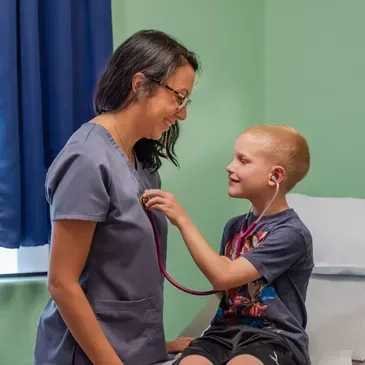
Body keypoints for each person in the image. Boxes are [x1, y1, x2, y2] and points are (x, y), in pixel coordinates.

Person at [34, 29, 200, 365]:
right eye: (178, 97)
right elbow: (62, 284)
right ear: (140, 84)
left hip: (131, 350)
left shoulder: (140, 159)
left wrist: (157, 345)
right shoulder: (87, 159)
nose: (182, 113)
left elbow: (122, 277)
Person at [143, 125, 314, 365]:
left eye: (243, 161)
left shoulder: (290, 234)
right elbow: (225, 284)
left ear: (275, 176)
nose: (229, 166)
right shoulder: (234, 227)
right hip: (222, 334)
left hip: (273, 338)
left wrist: (182, 220)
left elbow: (223, 276)